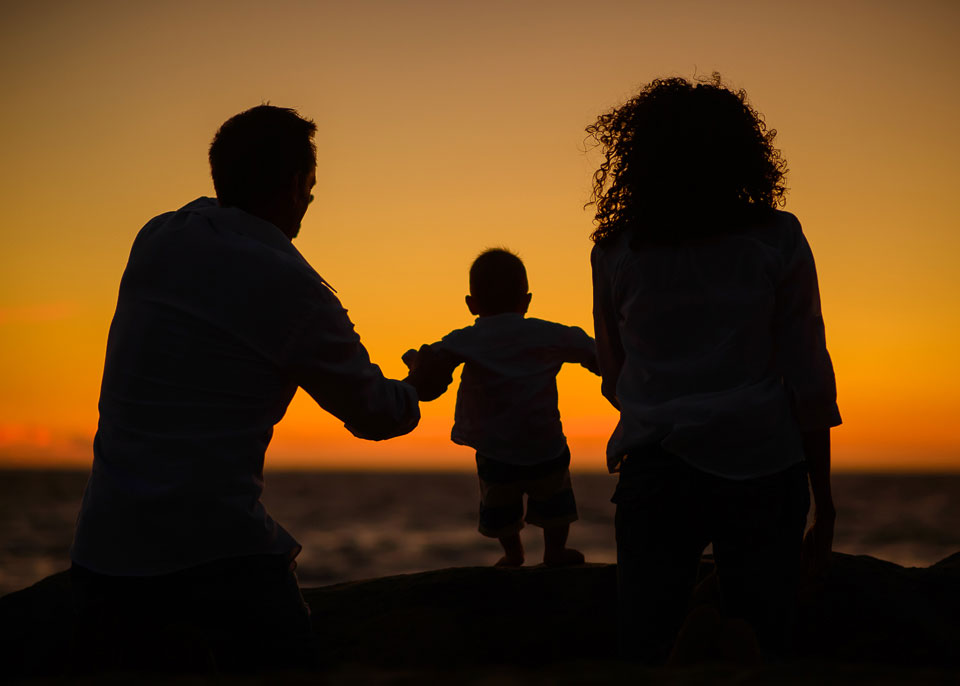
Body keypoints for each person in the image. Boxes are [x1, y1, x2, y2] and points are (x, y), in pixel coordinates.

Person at [69, 105, 443, 672]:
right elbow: (378, 415)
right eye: (311, 189)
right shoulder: (294, 288)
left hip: (102, 551)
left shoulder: (157, 237)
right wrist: (419, 386)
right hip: (212, 553)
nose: (310, 203)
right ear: (296, 184)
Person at [587, 75, 842, 663]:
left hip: (655, 468)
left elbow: (614, 375)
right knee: (764, 645)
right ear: (742, 154)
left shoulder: (617, 251)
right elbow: (807, 373)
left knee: (647, 649)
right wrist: (823, 501)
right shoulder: (777, 236)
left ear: (637, 157)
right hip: (762, 464)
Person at [403, 248, 598, 567]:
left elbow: (432, 362)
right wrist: (605, 363)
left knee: (499, 507)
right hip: (544, 444)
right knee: (555, 502)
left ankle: (513, 553)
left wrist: (413, 366)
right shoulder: (546, 333)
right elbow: (587, 346)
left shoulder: (467, 338)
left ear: (472, 304)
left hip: (494, 449)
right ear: (526, 301)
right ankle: (554, 552)